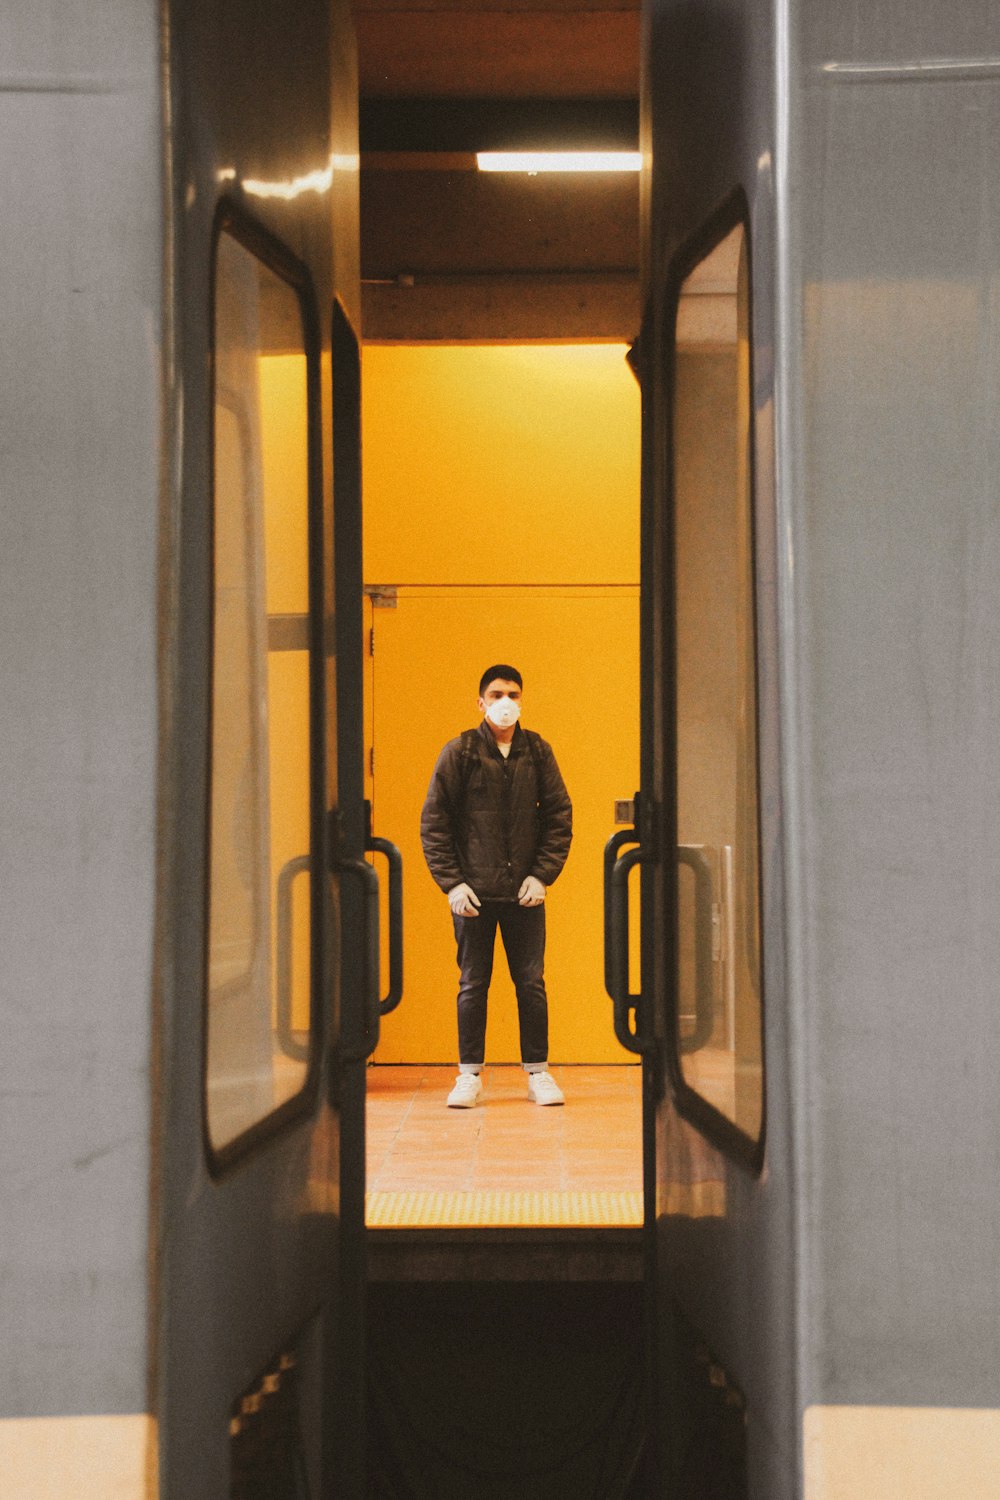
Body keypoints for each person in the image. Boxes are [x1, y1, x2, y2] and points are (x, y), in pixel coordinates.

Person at [420, 665, 573, 1108]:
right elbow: (435, 823)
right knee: (473, 984)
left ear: (522, 700)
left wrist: (542, 874)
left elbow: (560, 816)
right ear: (480, 702)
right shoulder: (461, 752)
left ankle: (538, 1073)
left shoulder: (537, 752)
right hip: (474, 897)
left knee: (531, 983)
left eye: (513, 693)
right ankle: (468, 1076)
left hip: (525, 894)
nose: (505, 701)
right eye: (496, 693)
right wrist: (452, 884)